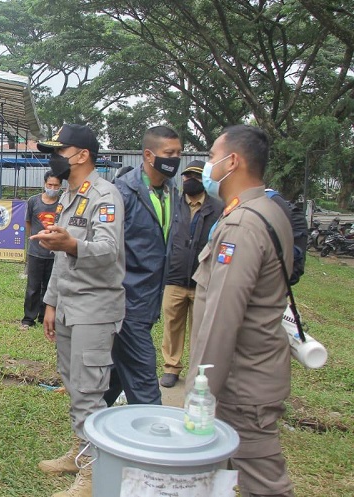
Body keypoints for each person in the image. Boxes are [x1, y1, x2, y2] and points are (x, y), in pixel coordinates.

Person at [187, 125, 295, 497]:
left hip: (242, 381)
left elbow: (222, 316)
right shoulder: (268, 209)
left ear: (233, 161)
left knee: (263, 483)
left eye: (213, 156)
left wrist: (199, 393)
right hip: (255, 368)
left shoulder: (242, 224)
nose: (208, 166)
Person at [31, 124, 126, 497]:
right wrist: (51, 302)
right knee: (74, 386)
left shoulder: (106, 195)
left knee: (89, 391)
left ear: (82, 155)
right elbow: (60, 258)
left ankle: (91, 475)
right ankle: (79, 451)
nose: (54, 159)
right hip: (70, 305)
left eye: (60, 151)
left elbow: (107, 250)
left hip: (94, 309)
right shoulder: (71, 195)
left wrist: (72, 242)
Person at [104, 126, 181, 407]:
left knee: (116, 374)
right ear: (149, 155)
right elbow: (106, 250)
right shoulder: (121, 193)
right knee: (145, 381)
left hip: (150, 299)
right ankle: (155, 446)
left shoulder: (173, 192)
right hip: (126, 302)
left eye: (178, 154)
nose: (175, 159)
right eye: (168, 154)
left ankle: (87, 436)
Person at [159, 161, 222, 388]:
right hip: (174, 276)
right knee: (172, 325)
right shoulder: (174, 205)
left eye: (195, 177)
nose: (189, 181)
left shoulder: (218, 208)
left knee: (200, 330)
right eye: (186, 177)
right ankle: (171, 367)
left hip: (202, 279)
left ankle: (198, 371)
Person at [20, 170, 62, 331]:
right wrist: (34, 240)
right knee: (33, 286)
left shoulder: (62, 202)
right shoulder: (33, 201)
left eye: (56, 185)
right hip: (35, 252)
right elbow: (28, 223)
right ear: (44, 184)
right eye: (50, 185)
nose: (52, 188)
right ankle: (28, 319)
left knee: (51, 286)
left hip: (55, 253)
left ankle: (45, 316)